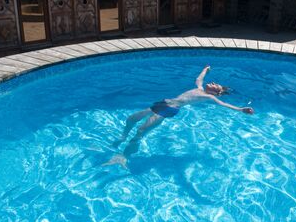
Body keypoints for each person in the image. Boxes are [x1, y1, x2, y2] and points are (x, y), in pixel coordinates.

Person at [106, 66, 254, 167]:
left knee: (141, 131)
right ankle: (122, 138)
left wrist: (241, 109)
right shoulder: (199, 88)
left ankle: (124, 156)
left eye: (216, 85)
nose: (214, 83)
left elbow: (224, 105)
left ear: (216, 92)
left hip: (170, 109)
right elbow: (199, 79)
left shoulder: (210, 98)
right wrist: (205, 70)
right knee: (131, 119)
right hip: (163, 102)